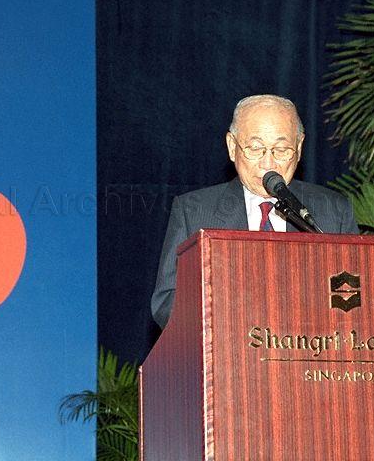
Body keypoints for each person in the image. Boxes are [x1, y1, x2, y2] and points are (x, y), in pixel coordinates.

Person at [151, 94, 359, 328]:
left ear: (299, 148)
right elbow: (167, 302)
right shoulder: (194, 212)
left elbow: (353, 299)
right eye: (255, 148)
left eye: (281, 149)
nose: (268, 163)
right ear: (232, 146)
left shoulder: (333, 211)